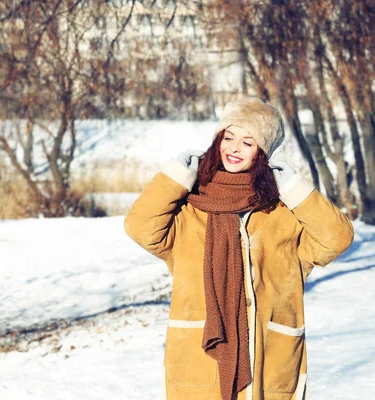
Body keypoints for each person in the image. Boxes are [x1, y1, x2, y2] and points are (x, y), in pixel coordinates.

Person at [124, 97, 354, 400]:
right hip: (200, 363)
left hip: (269, 361)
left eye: (248, 142)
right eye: (228, 137)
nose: (233, 148)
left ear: (263, 153)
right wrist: (175, 178)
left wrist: (296, 189)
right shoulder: (190, 212)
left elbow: (336, 238)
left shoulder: (281, 213)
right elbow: (140, 226)